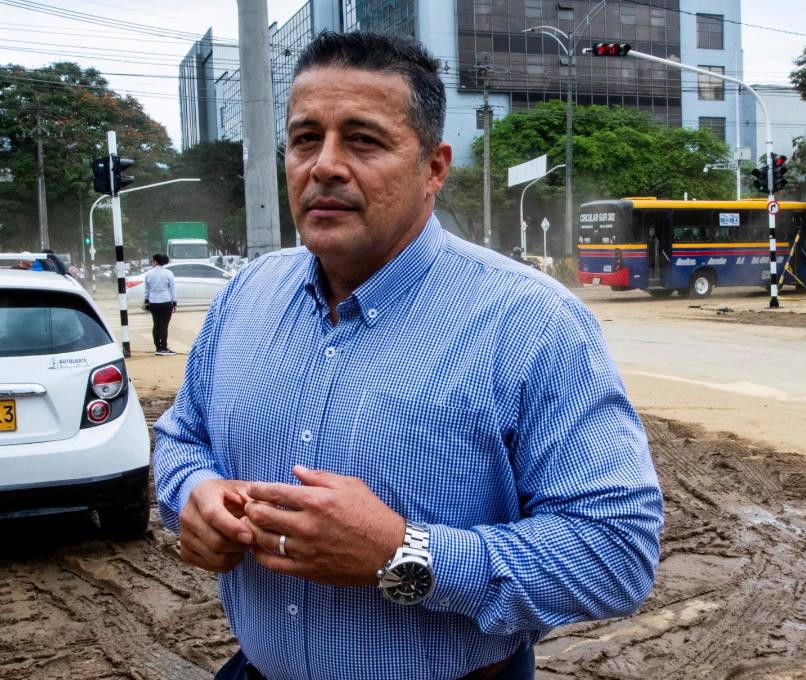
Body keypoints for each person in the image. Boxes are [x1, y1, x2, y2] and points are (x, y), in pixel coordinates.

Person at [153, 31, 663, 680]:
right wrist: (194, 493)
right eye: (306, 138)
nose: (325, 165)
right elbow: (180, 438)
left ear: (434, 168)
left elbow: (616, 554)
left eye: (363, 139)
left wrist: (402, 556)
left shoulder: (531, 324)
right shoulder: (245, 297)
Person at [144, 253, 177, 356]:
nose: (152, 262)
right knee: (164, 325)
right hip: (166, 301)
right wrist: (174, 302)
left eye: (152, 261)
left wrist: (146, 301)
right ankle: (164, 348)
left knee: (156, 325)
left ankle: (158, 348)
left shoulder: (148, 274)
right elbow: (172, 289)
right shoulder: (168, 273)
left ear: (156, 261)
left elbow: (146, 290)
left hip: (153, 302)